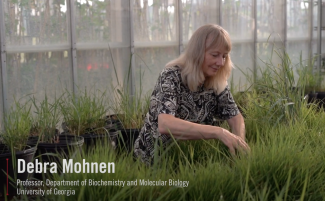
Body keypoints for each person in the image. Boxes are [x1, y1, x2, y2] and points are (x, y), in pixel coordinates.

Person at [134, 24, 249, 165]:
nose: (221, 62)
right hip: (155, 162)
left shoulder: (216, 81)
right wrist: (219, 132)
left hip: (190, 159)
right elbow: (165, 124)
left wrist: (238, 144)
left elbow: (236, 117)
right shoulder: (171, 76)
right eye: (215, 55)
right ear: (197, 52)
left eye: (224, 56)